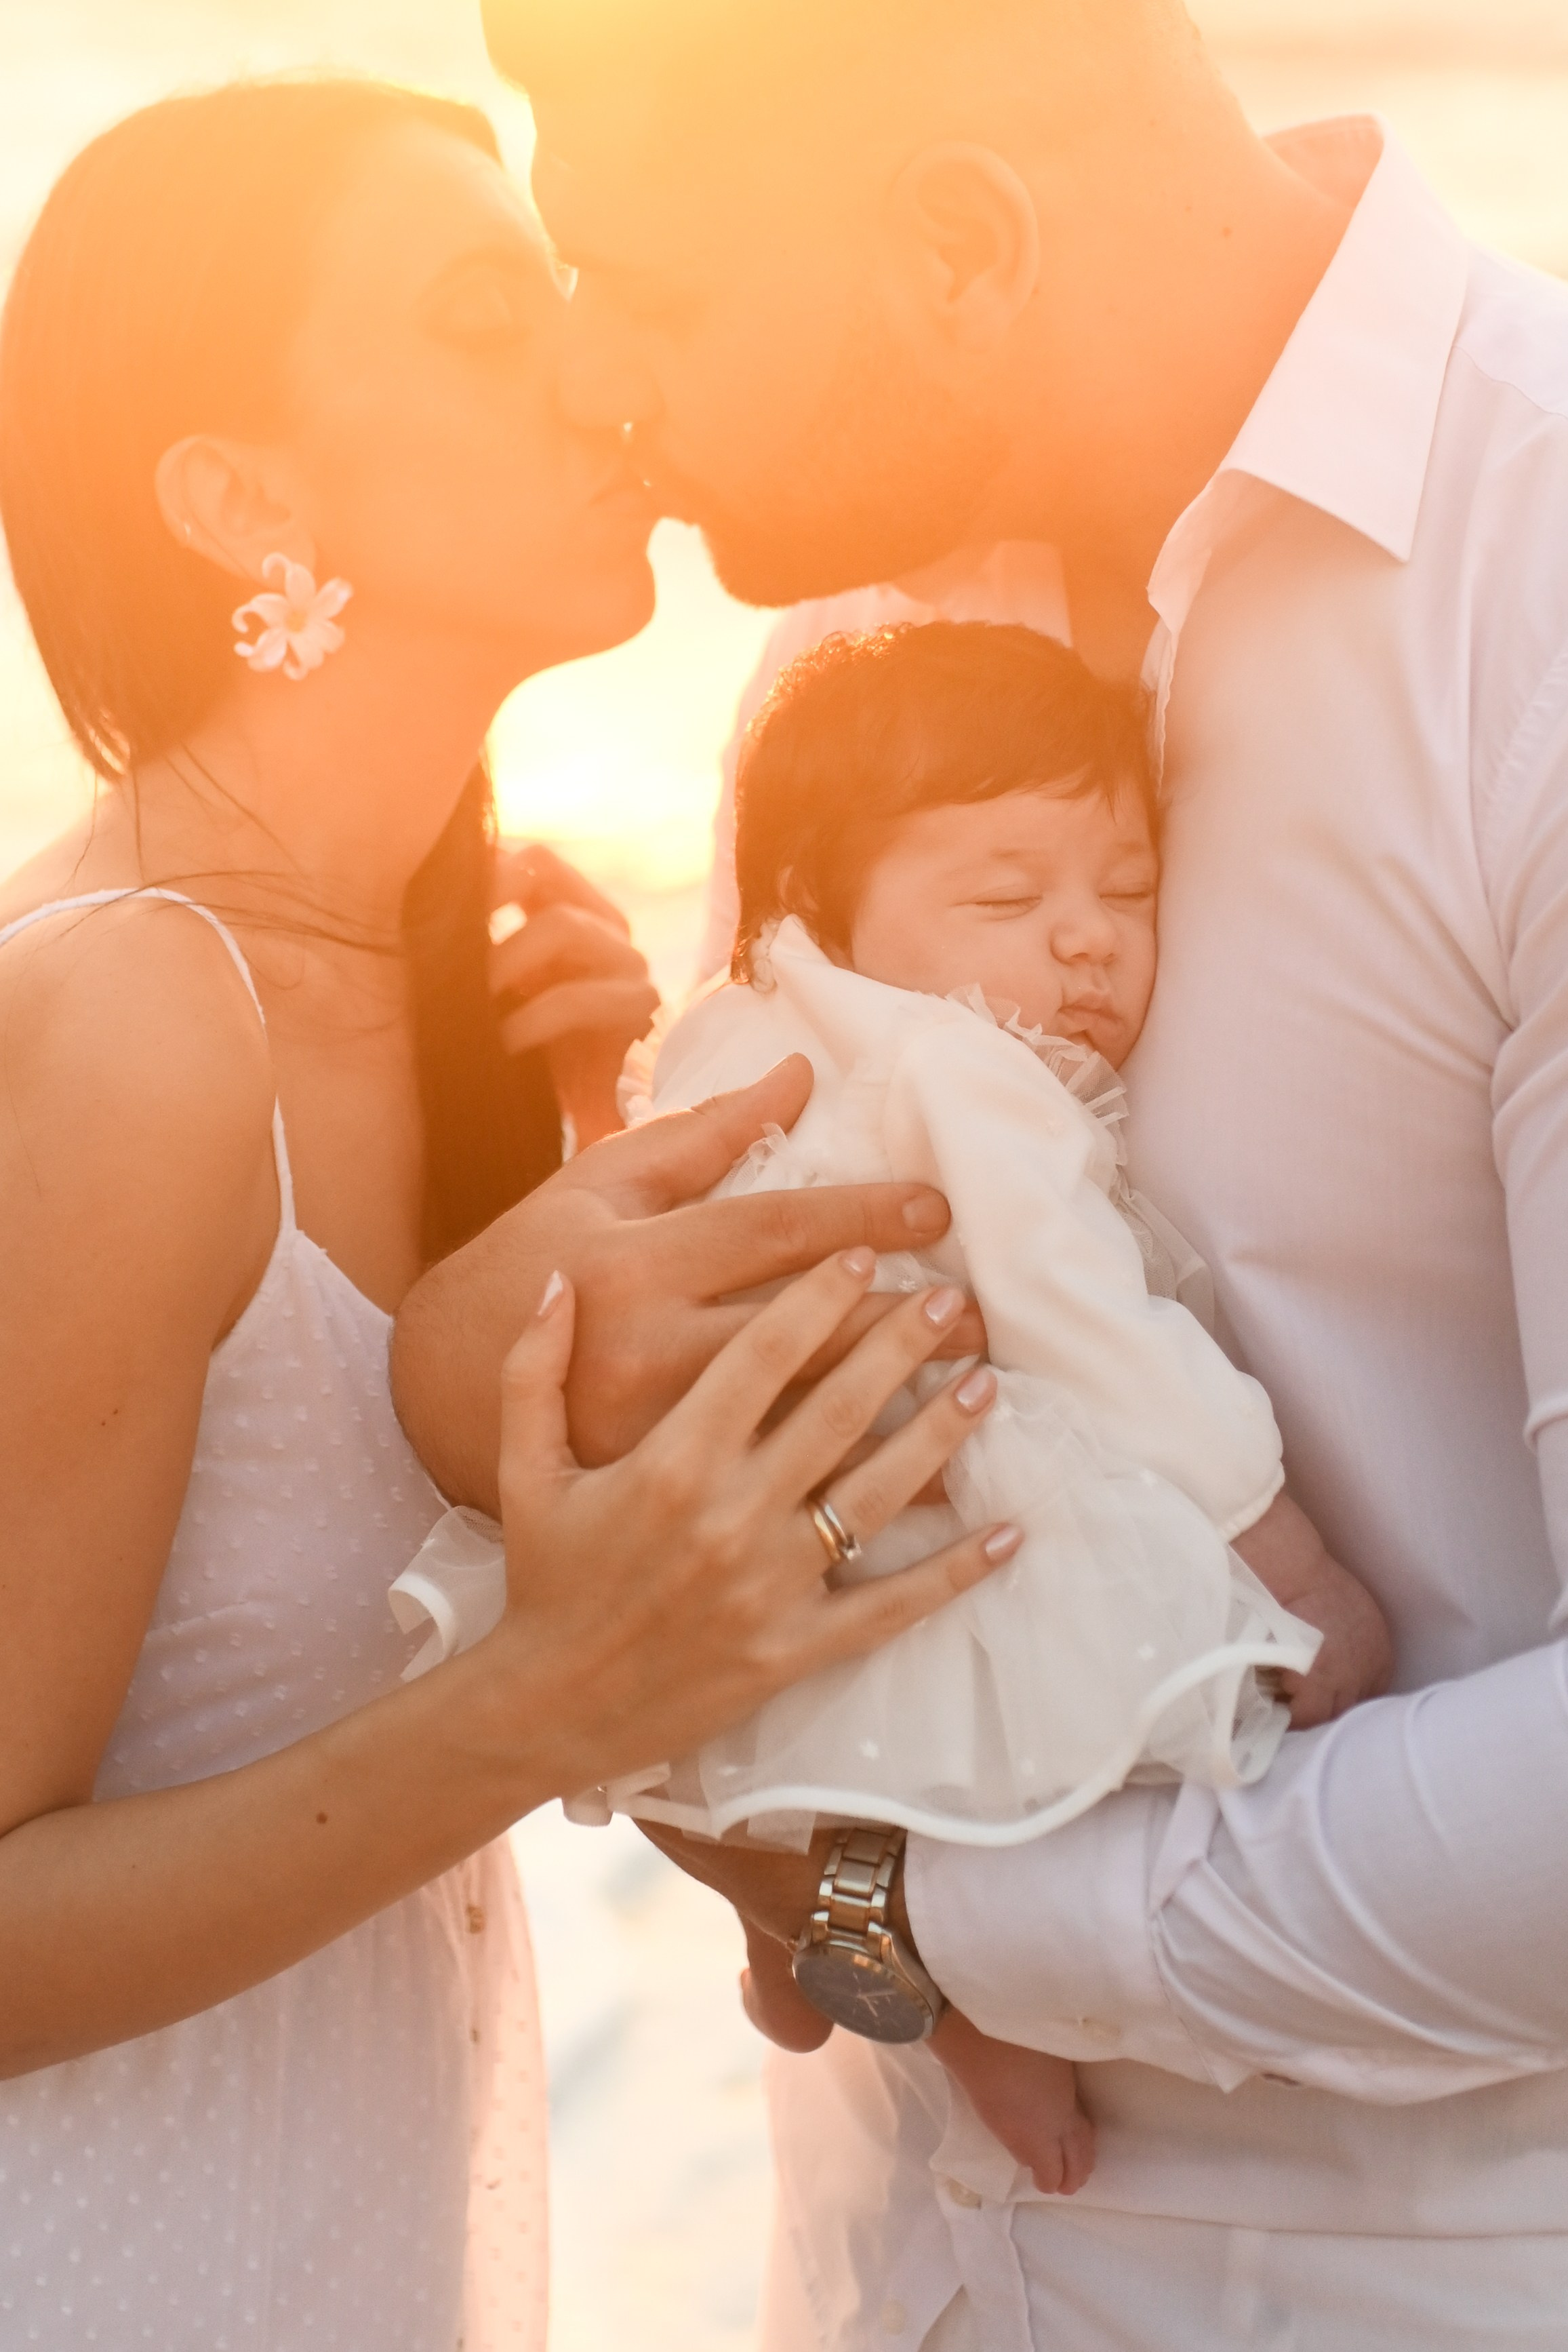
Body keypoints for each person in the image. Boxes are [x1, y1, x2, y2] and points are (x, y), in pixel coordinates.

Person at [393, 0, 1568, 2342]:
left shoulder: (1526, 611)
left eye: (655, 284)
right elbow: (808, 1477)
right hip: (872, 2279)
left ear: (957, 244)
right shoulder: (855, 649)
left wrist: (918, 1914)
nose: (603, 378)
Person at [0, 79, 1012, 2349]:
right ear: (235, 494)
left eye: (562, 293)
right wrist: (548, 1709)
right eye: (477, 314)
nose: (592, 370)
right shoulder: (136, 1021)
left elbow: (485, 1684)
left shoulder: (475, 985)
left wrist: (871, 1931)